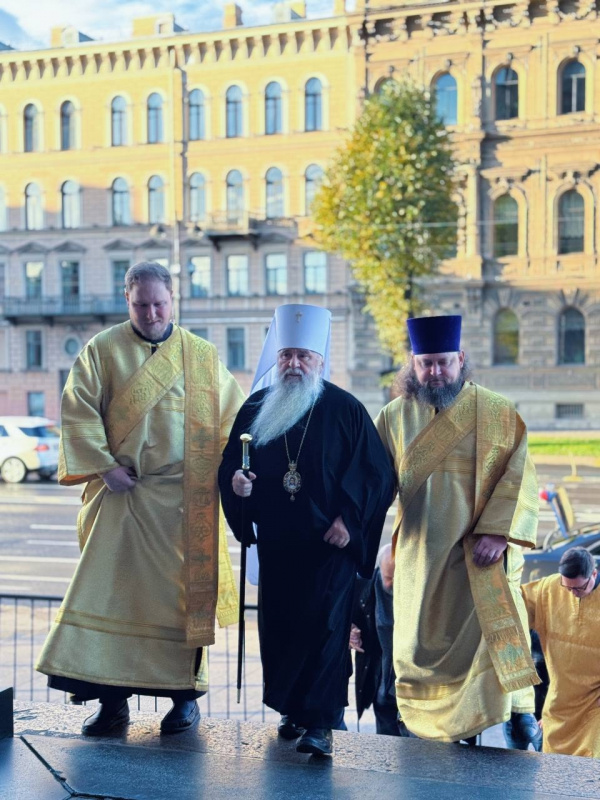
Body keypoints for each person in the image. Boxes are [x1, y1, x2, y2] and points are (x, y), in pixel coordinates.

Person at [36, 261, 244, 735]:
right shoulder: (102, 350)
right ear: (126, 299)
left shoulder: (202, 356)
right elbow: (77, 409)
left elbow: (235, 422)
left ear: (173, 300)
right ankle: (113, 705)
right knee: (113, 600)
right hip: (121, 500)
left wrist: (238, 474)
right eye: (141, 304)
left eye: (159, 303)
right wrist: (106, 467)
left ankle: (184, 701)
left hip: (182, 509)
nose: (151, 312)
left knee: (180, 608)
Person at [218, 303, 395, 756]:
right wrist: (236, 485)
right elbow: (231, 467)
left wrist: (349, 522)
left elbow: (377, 475)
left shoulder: (345, 409)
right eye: (286, 356)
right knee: (280, 631)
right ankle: (292, 711)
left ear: (319, 360)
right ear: (276, 360)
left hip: (326, 550)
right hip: (279, 547)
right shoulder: (257, 408)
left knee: (324, 634)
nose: (293, 364)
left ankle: (322, 725)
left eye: (303, 356)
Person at [375, 314, 541, 745]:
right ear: (412, 364)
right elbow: (370, 482)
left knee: (496, 635)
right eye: (425, 363)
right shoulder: (393, 417)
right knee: (417, 646)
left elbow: (519, 474)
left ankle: (514, 717)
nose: (434, 372)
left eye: (443, 363)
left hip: (479, 555)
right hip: (421, 557)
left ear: (460, 359)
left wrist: (499, 533)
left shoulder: (498, 412)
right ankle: (435, 729)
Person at [520, 547, 600, 758]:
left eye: (579, 588)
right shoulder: (549, 588)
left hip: (594, 701)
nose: (572, 593)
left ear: (594, 573)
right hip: (558, 703)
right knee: (554, 769)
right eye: (567, 587)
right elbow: (516, 606)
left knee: (589, 768)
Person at [351, 544, 402, 736]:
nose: (395, 583)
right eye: (389, 578)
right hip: (380, 683)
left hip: (412, 688)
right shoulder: (362, 587)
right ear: (379, 570)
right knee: (387, 741)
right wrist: (351, 631)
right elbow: (344, 617)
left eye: (400, 576)